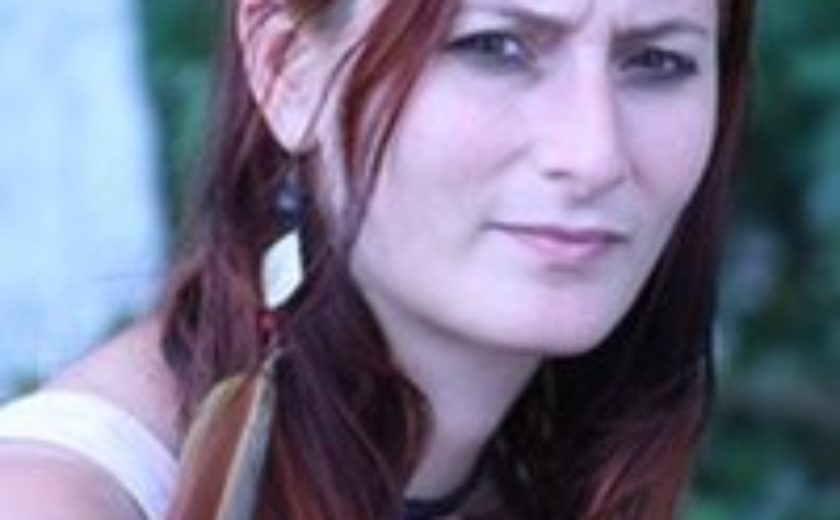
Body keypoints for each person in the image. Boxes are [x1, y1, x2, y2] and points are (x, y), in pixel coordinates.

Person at [0, 0, 755, 518]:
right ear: (287, 68)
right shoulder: (57, 498)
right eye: (493, 47)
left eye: (657, 61)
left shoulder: (544, 465)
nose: (594, 153)